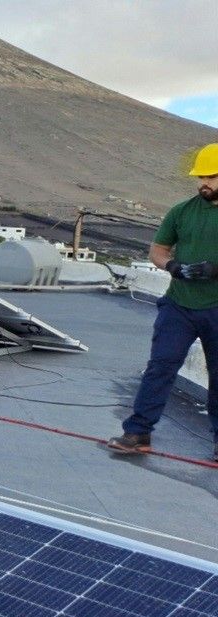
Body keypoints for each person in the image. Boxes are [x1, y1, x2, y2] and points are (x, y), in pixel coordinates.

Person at [107, 142, 218, 462]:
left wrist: (214, 269)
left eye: (211, 176)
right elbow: (158, 250)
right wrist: (172, 266)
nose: (204, 183)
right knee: (160, 367)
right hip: (179, 306)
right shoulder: (182, 211)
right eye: (201, 177)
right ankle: (138, 432)